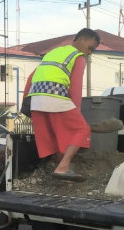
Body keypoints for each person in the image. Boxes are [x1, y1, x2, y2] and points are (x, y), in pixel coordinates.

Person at [25, 27, 100, 182]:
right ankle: (63, 167)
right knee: (82, 129)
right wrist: (77, 110)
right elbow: (76, 87)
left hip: (36, 100)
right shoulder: (78, 57)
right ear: (83, 39)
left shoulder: (53, 53)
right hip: (54, 95)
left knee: (56, 135)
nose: (90, 52)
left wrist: (25, 102)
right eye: (91, 48)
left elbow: (30, 78)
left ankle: (61, 170)